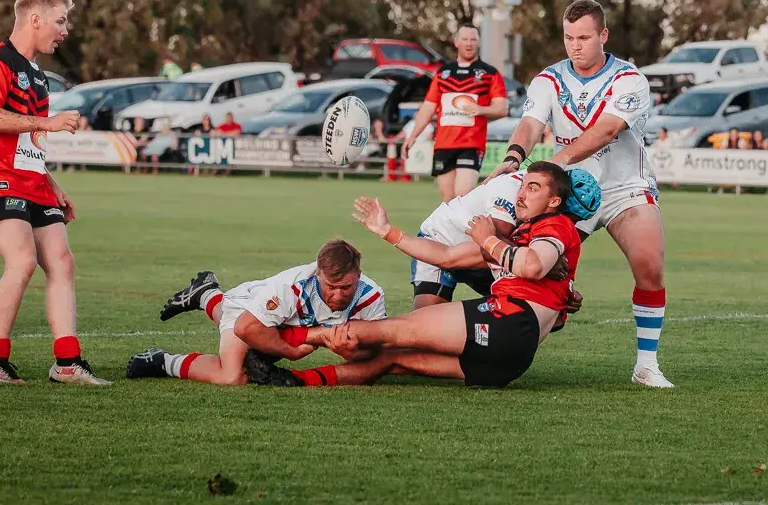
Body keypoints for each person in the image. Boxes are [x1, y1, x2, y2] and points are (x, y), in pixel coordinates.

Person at [250, 163, 590, 389]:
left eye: (532, 188)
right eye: (523, 185)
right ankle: (295, 380)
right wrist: (387, 232)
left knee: (391, 331)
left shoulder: (554, 225)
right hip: (510, 364)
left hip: (508, 322)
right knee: (393, 358)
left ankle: (283, 339)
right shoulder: (519, 238)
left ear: (554, 202)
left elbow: (531, 266)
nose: (521, 192)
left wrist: (486, 238)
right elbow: (446, 255)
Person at [488, 0, 672, 388]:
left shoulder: (630, 79)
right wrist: (514, 157)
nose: (575, 45)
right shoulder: (548, 80)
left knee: (650, 265)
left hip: (625, 187)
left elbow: (606, 130)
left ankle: (646, 365)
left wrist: (552, 164)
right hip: (570, 193)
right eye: (569, 37)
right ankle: (503, 342)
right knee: (534, 266)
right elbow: (530, 124)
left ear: (603, 36)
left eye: (584, 37)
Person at [0, 0, 109, 386]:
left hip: (32, 182)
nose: (65, 30)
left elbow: (28, 142)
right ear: (35, 18)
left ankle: (67, 363)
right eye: (61, 21)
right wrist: (47, 122)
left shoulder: (39, 77)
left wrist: (53, 183)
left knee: (62, 262)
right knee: (23, 260)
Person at [125, 239, 386, 385]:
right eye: (331, 287)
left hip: (278, 324)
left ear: (359, 276)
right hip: (246, 308)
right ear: (318, 273)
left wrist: (349, 351)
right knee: (233, 377)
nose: (338, 295)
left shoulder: (371, 296)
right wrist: (290, 353)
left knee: (270, 343)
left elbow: (376, 350)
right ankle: (161, 360)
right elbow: (247, 327)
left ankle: (207, 294)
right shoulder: (292, 287)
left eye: (346, 287)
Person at [403, 25, 508, 202]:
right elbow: (428, 107)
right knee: (447, 198)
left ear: (478, 42)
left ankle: (470, 228)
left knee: (463, 195)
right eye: (465, 39)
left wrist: (482, 109)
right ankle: (448, 230)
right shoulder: (443, 73)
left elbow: (502, 108)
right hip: (444, 144)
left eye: (473, 39)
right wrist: (413, 135)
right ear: (456, 42)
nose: (469, 44)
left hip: (471, 144)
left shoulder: (490, 73)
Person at [405, 171, 522, 309]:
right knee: (424, 320)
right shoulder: (511, 191)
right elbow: (448, 257)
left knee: (537, 306)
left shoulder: (545, 189)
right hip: (441, 241)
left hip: (481, 254)